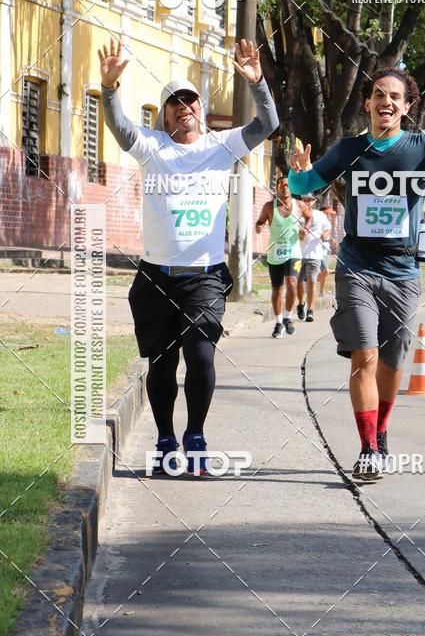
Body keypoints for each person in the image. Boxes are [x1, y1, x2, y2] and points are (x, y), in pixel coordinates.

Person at [289, 71, 425, 481]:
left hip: (403, 272)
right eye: (379, 94)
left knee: (392, 364)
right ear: (367, 103)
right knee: (364, 355)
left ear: (407, 106)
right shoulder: (349, 149)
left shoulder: (424, 147)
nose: (387, 101)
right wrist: (299, 171)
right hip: (357, 266)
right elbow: (305, 184)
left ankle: (380, 433)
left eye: (396, 97)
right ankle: (366, 449)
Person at [99, 37, 278, 475]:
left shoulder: (222, 145)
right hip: (156, 278)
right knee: (161, 365)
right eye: (175, 102)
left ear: (199, 107)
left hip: (204, 277)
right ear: (166, 112)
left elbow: (268, 124)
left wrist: (257, 84)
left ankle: (195, 435)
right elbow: (121, 127)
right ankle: (165, 439)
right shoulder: (152, 145)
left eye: (190, 101)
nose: (184, 108)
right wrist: (109, 88)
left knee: (201, 356)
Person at [255, 175, 312, 337]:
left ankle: (288, 317)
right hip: (274, 253)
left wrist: (305, 229)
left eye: (288, 185)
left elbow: (309, 217)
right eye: (282, 185)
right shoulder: (269, 207)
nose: (285, 187)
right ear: (277, 188)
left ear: (291, 188)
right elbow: (259, 222)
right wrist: (258, 227)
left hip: (293, 251)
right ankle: (279, 322)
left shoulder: (299, 205)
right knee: (277, 289)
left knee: (293, 283)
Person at [297, 193, 331, 322]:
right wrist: (301, 233)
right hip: (298, 254)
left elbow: (328, 229)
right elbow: (297, 235)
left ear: (314, 201)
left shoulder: (320, 215)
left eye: (309, 200)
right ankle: (301, 304)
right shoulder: (296, 215)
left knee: (312, 281)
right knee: (298, 282)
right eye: (304, 200)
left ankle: (310, 310)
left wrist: (325, 235)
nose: (306, 202)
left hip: (315, 254)